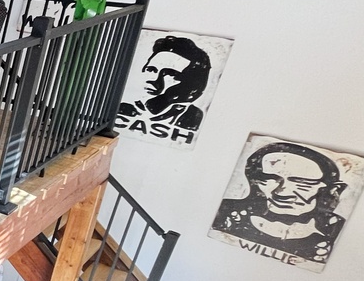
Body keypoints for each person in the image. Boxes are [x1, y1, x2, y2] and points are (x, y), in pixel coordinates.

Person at [211, 141, 347, 268]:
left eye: (302, 183)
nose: (281, 192)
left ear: (333, 190)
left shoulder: (336, 228)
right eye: (269, 180)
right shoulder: (226, 212)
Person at [116, 35, 212, 144]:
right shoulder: (121, 107)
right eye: (151, 69)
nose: (154, 79)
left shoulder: (190, 117)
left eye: (171, 74)